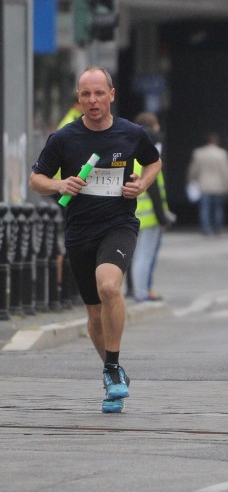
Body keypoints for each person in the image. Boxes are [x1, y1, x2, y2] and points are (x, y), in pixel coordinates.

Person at [29, 66, 162, 414]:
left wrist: (142, 184)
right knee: (93, 312)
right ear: (79, 97)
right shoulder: (63, 138)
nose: (93, 101)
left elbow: (154, 163)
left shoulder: (132, 134)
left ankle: (112, 366)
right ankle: (113, 373)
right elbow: (36, 179)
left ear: (111, 95)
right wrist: (59, 184)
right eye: (86, 94)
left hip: (118, 224)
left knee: (109, 287)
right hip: (79, 231)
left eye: (99, 93)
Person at [130, 112, 174, 303]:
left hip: (136, 215)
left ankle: (139, 290)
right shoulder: (148, 158)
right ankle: (141, 293)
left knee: (137, 256)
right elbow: (154, 190)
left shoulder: (130, 153)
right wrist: (162, 217)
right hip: (149, 217)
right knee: (144, 256)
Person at [187, 132, 228, 236]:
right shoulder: (222, 153)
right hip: (218, 186)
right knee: (218, 209)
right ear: (216, 142)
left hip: (204, 185)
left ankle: (206, 229)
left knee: (205, 209)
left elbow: (194, 169)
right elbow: (226, 171)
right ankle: (217, 228)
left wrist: (191, 181)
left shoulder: (198, 153)